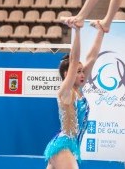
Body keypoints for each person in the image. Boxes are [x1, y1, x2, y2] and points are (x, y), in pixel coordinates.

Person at [44, 22, 105, 169]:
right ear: (67, 74)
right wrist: (77, 31)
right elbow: (73, 60)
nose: (83, 74)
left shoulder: (79, 90)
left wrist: (101, 32)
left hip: (71, 146)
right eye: (78, 72)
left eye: (82, 71)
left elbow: (92, 57)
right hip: (63, 145)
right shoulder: (66, 92)